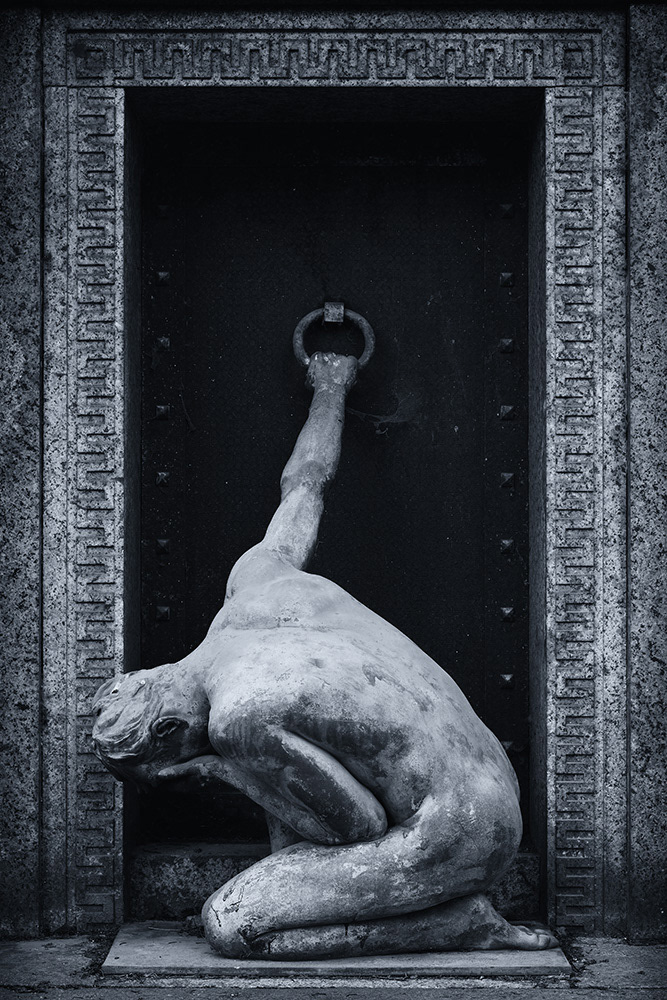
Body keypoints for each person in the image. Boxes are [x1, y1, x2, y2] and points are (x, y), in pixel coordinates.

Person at [92, 351, 557, 959]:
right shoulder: (253, 584)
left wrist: (222, 772)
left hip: (458, 837)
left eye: (166, 767)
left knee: (230, 923)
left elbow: (354, 829)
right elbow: (305, 481)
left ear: (172, 729)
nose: (178, 773)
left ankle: (461, 923)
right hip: (490, 781)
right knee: (286, 792)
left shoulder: (238, 717)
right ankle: (328, 901)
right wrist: (331, 385)